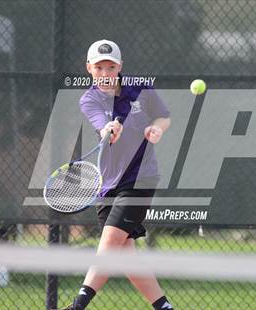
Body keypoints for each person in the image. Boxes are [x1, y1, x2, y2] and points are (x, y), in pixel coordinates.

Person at [61, 40, 172, 310]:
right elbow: (102, 126)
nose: (105, 72)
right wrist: (108, 130)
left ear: (120, 67)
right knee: (125, 256)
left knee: (110, 240)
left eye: (110, 66)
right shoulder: (88, 99)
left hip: (140, 179)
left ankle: (78, 306)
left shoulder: (142, 89)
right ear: (89, 68)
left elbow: (163, 116)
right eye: (99, 67)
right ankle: (165, 308)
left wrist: (157, 129)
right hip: (108, 185)